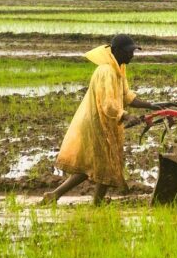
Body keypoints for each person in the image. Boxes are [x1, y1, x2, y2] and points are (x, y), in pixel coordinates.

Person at [41, 34, 164, 205]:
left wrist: (152, 105)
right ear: (117, 51)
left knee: (94, 165)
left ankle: (54, 195)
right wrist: (125, 115)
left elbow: (126, 96)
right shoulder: (106, 71)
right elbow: (108, 104)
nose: (132, 55)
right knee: (105, 165)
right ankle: (95, 204)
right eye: (129, 52)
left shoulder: (118, 69)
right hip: (95, 123)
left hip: (103, 122)